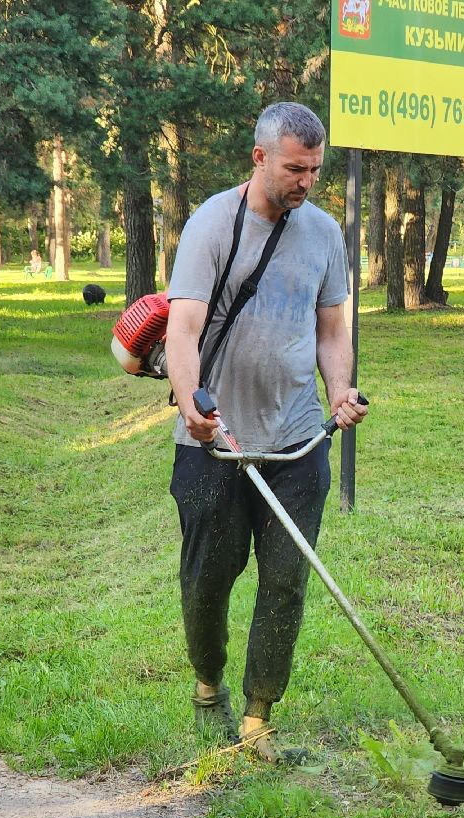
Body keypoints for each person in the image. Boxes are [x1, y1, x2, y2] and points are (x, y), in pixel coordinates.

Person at [165, 101, 366, 763]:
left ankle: (258, 715)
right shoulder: (211, 224)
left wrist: (340, 392)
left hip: (297, 441)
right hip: (216, 443)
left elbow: (331, 330)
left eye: (315, 170)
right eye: (294, 169)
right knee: (207, 578)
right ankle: (207, 686)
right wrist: (192, 405)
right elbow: (183, 329)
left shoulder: (324, 235)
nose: (306, 181)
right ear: (259, 158)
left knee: (285, 582)